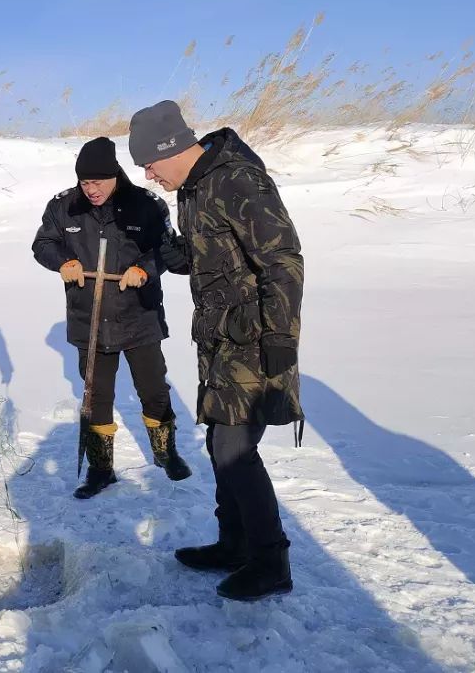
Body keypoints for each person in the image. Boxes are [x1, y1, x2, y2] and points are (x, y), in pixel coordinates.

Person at [129, 101, 304, 601]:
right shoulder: (195, 188)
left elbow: (283, 260)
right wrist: (167, 249)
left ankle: (272, 562)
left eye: (149, 164)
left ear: (171, 149)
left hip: (255, 339)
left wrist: (280, 337)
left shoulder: (237, 180)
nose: (148, 174)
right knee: (218, 443)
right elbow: (207, 257)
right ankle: (235, 543)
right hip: (219, 338)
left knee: (234, 449)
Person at [33, 137, 191, 499]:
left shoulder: (144, 205)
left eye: (98, 183)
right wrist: (62, 262)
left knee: (153, 389)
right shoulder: (63, 207)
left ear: (115, 176)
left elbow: (165, 251)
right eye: (85, 183)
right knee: (96, 397)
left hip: (139, 317)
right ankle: (100, 469)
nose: (91, 191)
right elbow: (43, 244)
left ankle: (166, 452)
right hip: (89, 320)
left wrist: (145, 269)